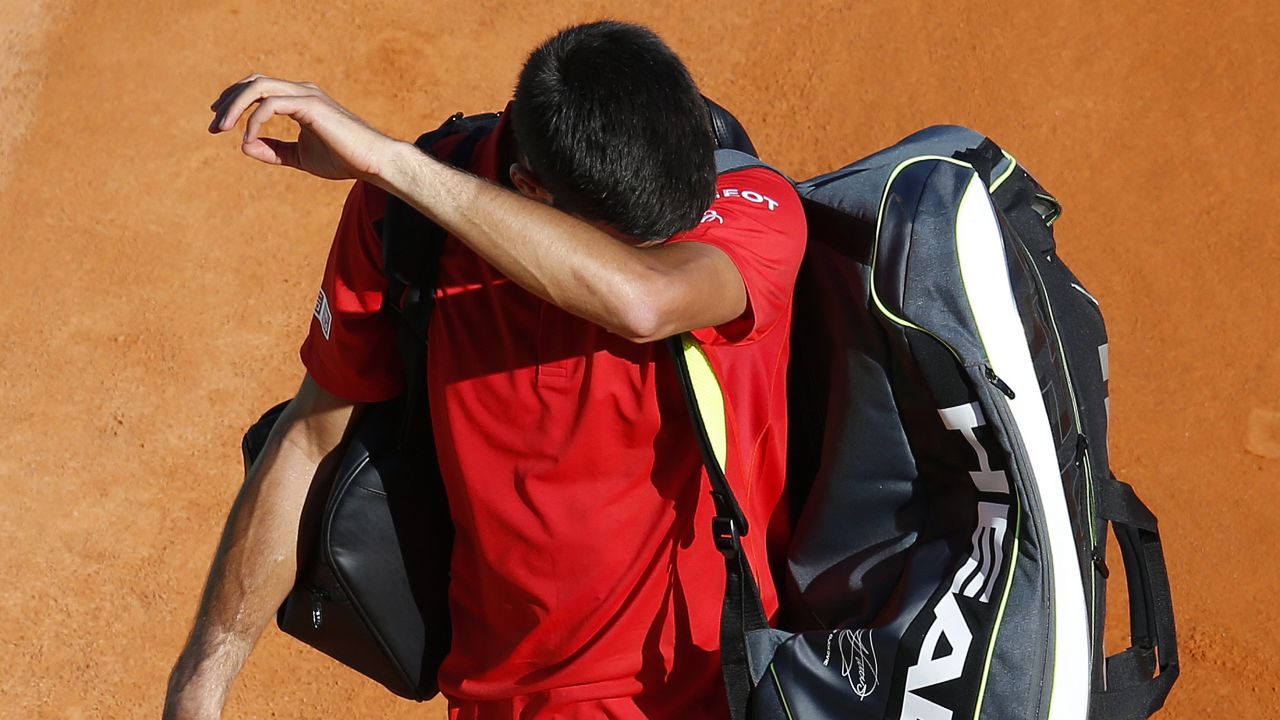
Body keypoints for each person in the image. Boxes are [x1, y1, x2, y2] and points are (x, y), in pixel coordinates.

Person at [165, 21, 806, 720]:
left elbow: (644, 301)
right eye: (635, 240)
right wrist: (202, 681)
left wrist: (391, 163)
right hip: (498, 702)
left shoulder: (751, 209)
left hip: (709, 693)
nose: (669, 243)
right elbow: (311, 438)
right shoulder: (408, 226)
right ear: (532, 190)